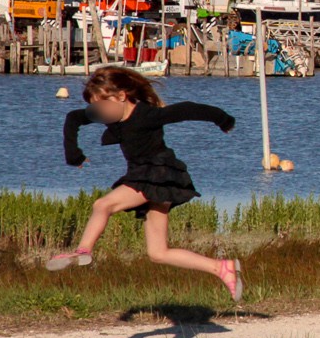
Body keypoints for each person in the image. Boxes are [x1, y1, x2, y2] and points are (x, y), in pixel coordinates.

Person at [47, 66, 246, 300]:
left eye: (102, 105)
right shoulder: (108, 114)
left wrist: (222, 119)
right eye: (95, 107)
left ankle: (83, 250)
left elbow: (187, 110)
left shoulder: (147, 115)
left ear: (121, 96)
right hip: (146, 177)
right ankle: (222, 268)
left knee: (103, 205)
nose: (99, 112)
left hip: (158, 174)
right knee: (158, 253)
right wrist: (74, 155)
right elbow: (73, 118)